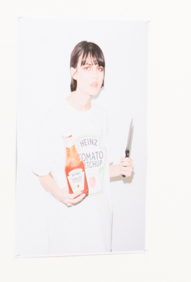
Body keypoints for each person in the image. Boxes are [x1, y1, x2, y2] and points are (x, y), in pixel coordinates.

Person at [30, 39, 135, 255]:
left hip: (99, 226)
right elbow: (42, 172)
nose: (95, 75)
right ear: (74, 72)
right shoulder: (55, 117)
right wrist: (59, 194)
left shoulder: (101, 116)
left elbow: (98, 170)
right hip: (67, 228)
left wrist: (122, 169)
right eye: (87, 68)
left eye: (99, 68)